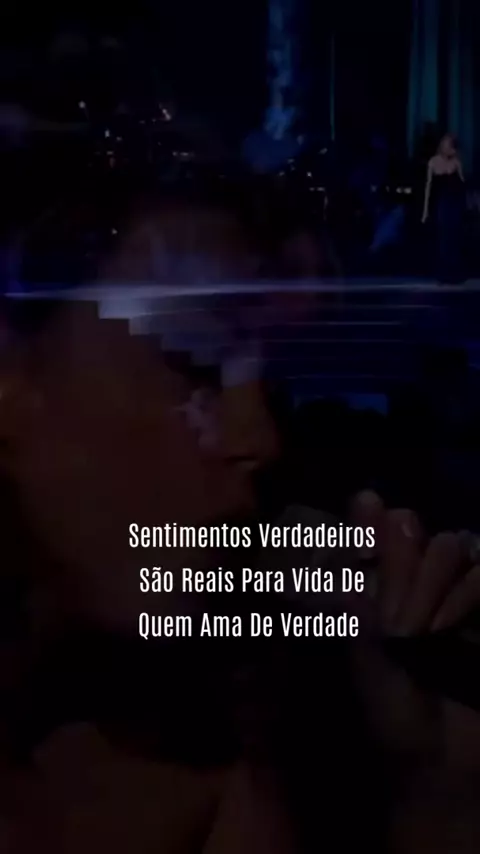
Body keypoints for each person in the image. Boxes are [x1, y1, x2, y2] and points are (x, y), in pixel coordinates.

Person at [421, 133, 465, 283]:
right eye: (445, 144)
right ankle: (443, 272)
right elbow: (428, 188)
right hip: (441, 203)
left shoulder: (456, 162)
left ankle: (454, 272)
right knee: (443, 238)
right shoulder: (433, 162)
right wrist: (425, 211)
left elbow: (462, 184)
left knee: (454, 237)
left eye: (450, 144)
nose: (447, 147)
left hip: (455, 203)